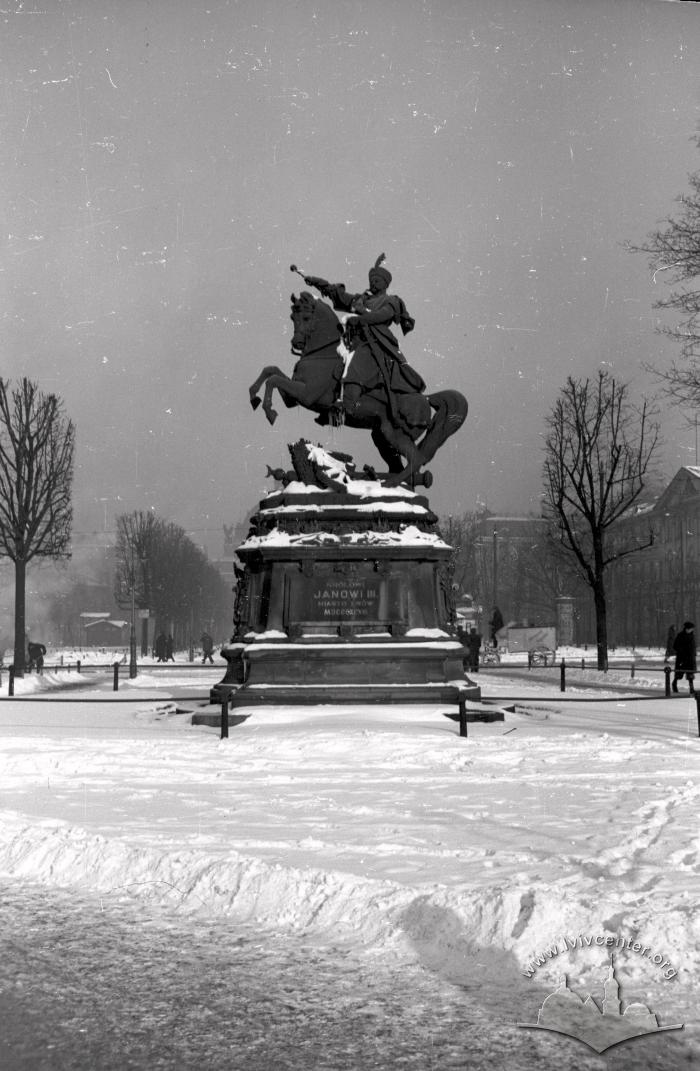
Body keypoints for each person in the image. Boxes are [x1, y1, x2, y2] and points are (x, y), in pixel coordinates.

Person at [304, 254, 426, 423]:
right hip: (352, 342)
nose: (373, 283)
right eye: (372, 280)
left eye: (377, 280)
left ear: (385, 283)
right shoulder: (361, 300)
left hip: (375, 343)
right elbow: (339, 295)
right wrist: (317, 282)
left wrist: (359, 318)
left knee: (356, 367)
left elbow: (381, 316)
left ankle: (345, 408)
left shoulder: (391, 301)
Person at [672, 621, 696, 694]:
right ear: (686, 629)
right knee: (679, 675)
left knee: (690, 675)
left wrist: (694, 653)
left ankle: (692, 689)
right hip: (682, 659)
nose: (692, 630)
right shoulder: (680, 635)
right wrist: (682, 651)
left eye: (692, 629)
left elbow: (693, 647)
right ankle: (674, 684)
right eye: (691, 629)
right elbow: (675, 646)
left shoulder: (692, 636)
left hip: (690, 659)